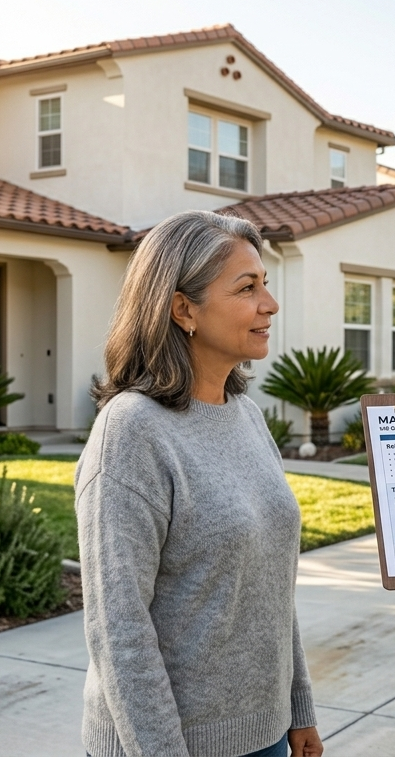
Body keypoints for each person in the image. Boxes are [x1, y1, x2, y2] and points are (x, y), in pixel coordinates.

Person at [76, 210, 323, 757]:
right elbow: (118, 628)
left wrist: (297, 708)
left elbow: (269, 587)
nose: (270, 304)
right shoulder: (131, 430)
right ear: (183, 309)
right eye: (247, 287)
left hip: (267, 736)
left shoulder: (246, 415)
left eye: (266, 284)